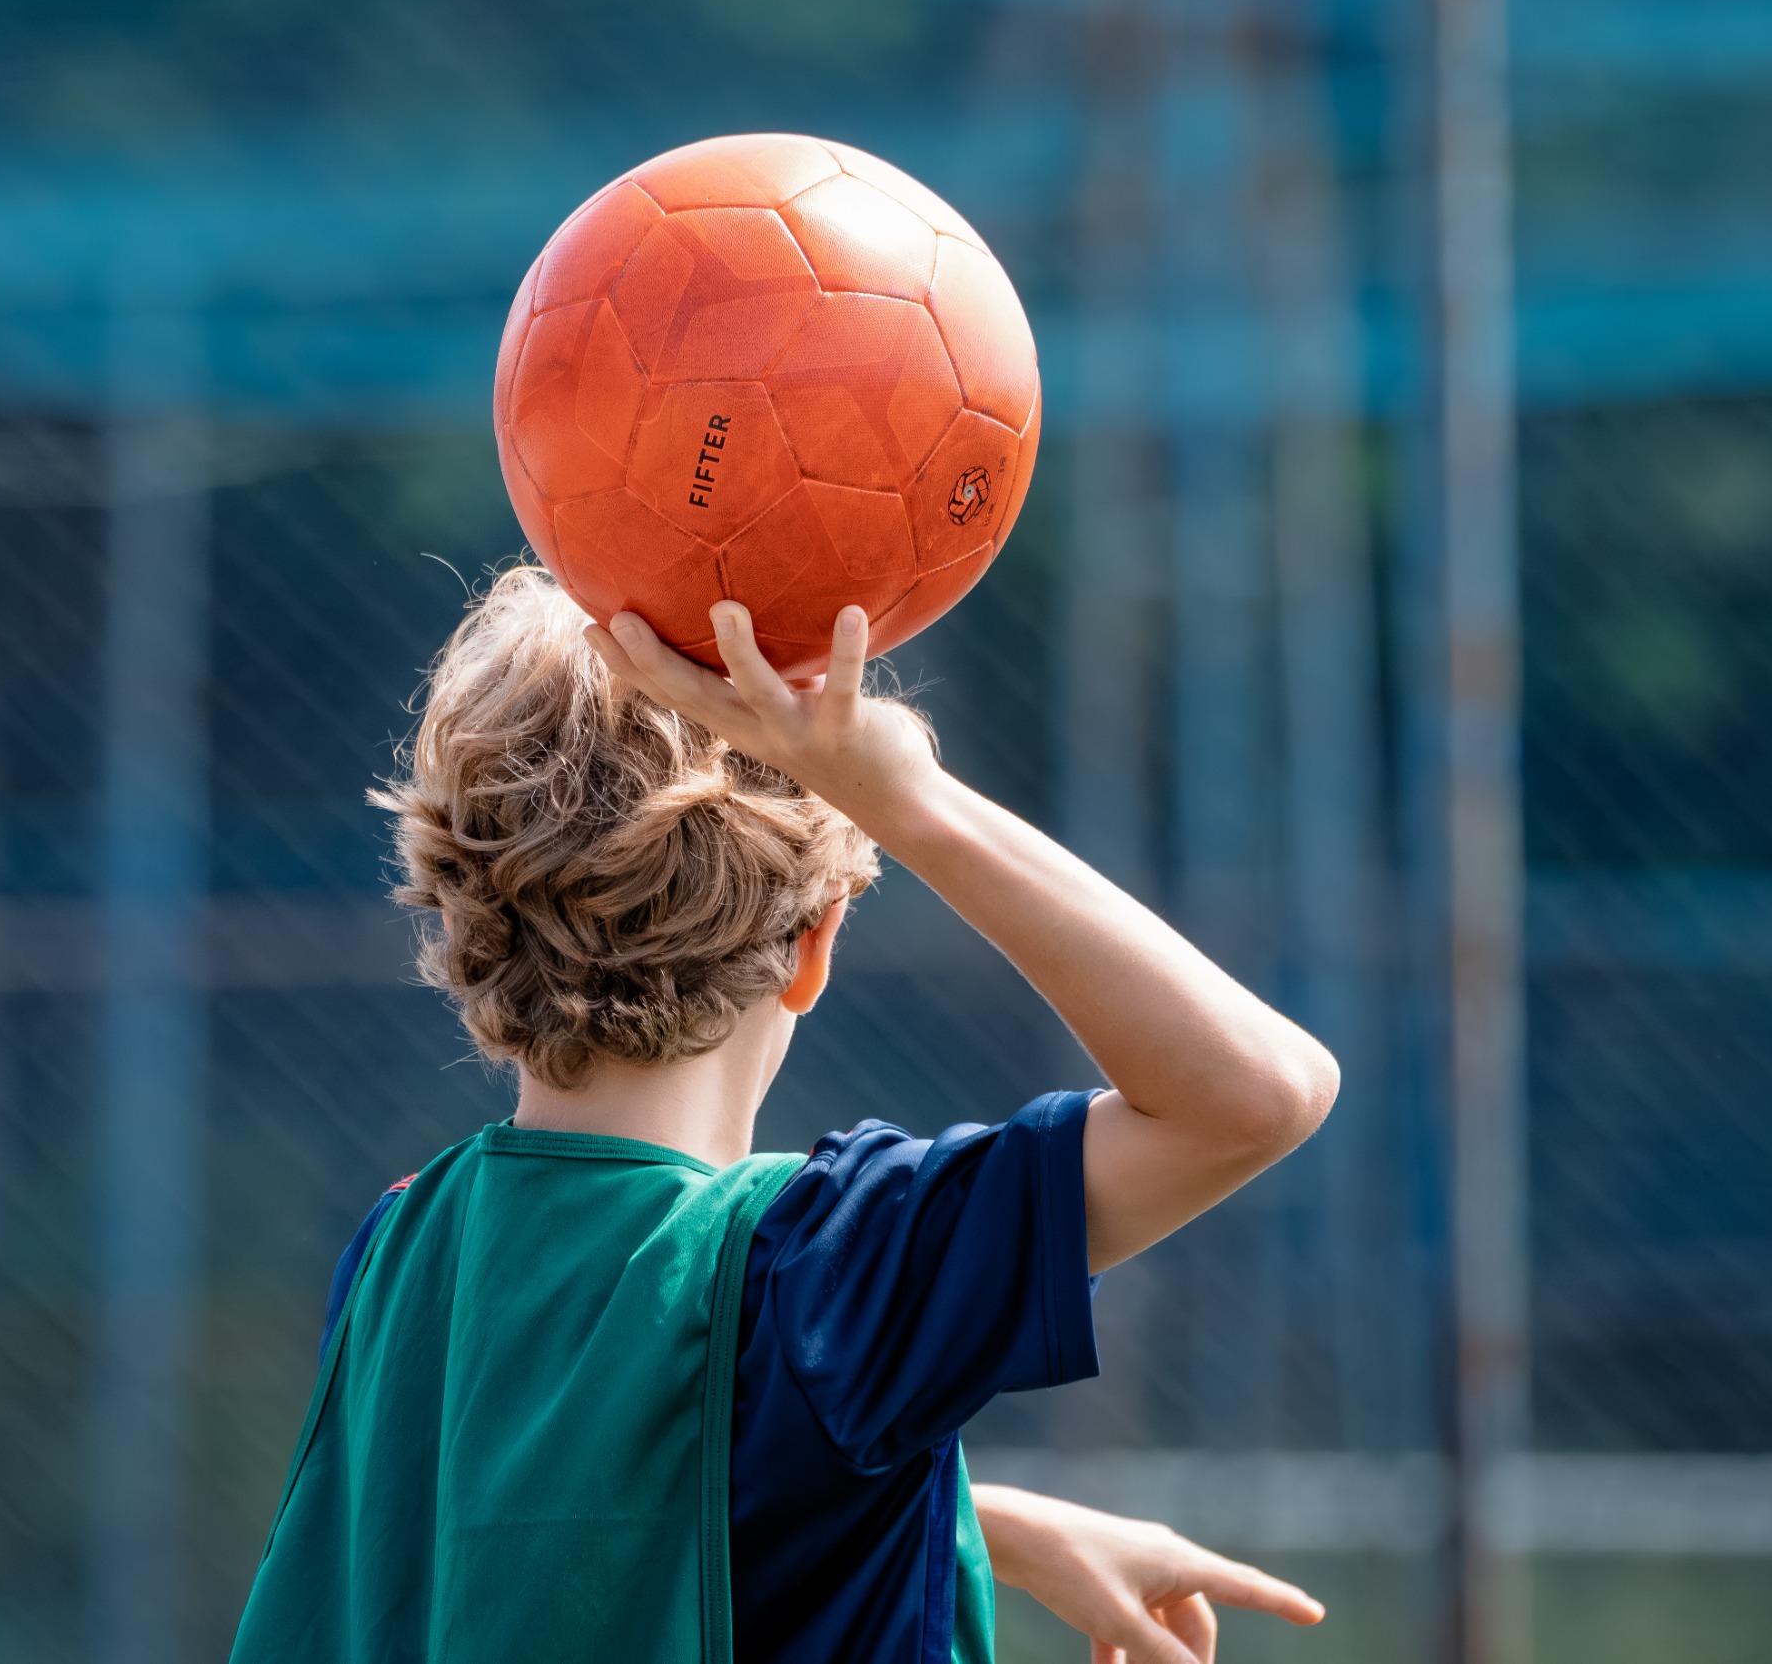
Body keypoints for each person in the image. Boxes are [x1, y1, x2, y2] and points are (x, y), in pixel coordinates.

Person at [229, 568, 1338, 1664]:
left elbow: (575, 1523)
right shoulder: (835, 1269)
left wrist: (982, 1524)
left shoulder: (400, 1250)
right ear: (814, 947)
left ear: (464, 907)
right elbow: (1260, 1092)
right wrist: (910, 802)